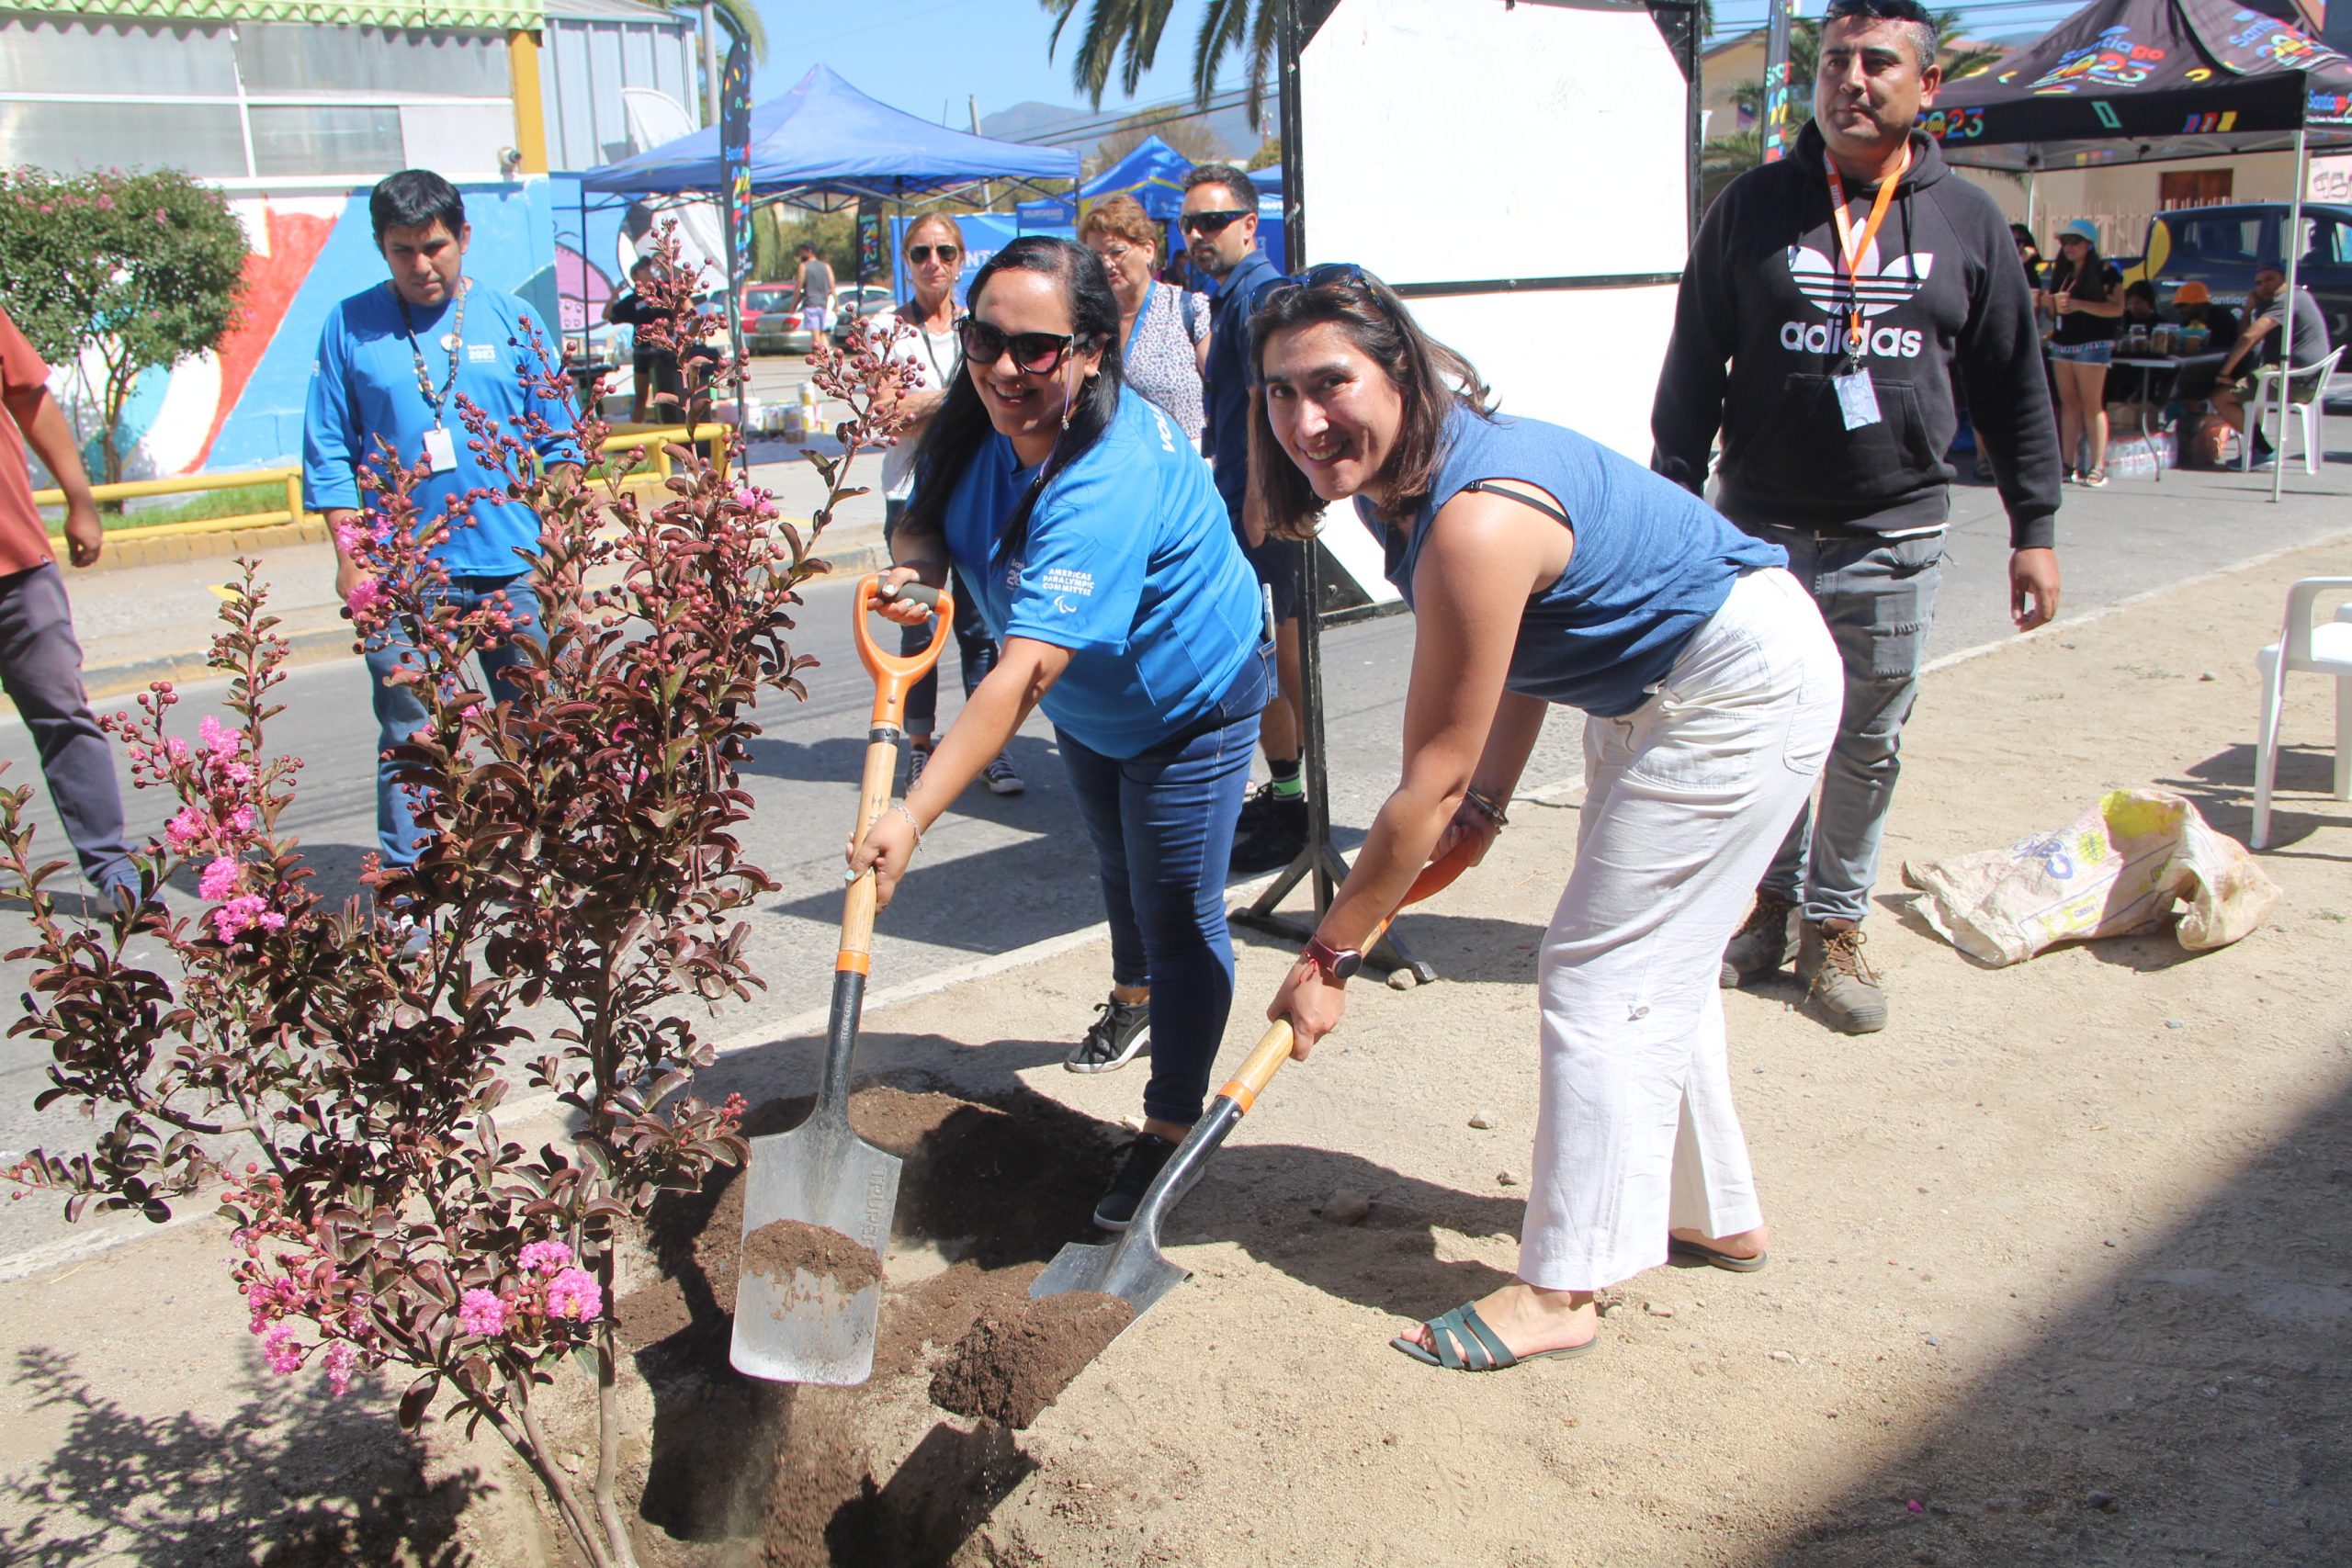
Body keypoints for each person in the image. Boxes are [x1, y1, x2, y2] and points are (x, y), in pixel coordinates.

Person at [1249, 266, 1838, 1370]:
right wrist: (1488, 802)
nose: (1304, 419)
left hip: (1733, 685)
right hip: (1667, 688)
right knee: (1652, 962)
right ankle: (1715, 1210)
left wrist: (1330, 951)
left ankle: (1563, 1288)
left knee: (1597, 972)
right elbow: (1507, 662)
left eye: (1331, 381)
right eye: (1279, 393)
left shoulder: (1471, 514)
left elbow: (1420, 780)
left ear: (1402, 370)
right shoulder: (1415, 482)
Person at [1651, 0, 2063, 1035]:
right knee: (1762, 732)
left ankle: (1834, 925)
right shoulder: (1750, 207)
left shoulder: (1966, 219)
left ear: (1927, 87)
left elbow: (2016, 383)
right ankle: (1768, 905)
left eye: (1878, 62)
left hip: (1896, 530)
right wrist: (1668, 506)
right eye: (1834, 60)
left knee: (1864, 743)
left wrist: (2035, 527)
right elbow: (1694, 365)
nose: (1851, 79)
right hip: (1759, 535)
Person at [847, 237, 1270, 1227]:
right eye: (986, 342)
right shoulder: (983, 413)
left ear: (1089, 350)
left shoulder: (1105, 474)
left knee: (1177, 912)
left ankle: (1168, 1133)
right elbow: (924, 518)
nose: (1003, 369)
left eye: (1035, 350)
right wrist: (918, 577)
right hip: (1097, 700)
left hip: (1187, 700)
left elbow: (1026, 669)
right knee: (1119, 874)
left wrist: (911, 815)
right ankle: (1135, 1000)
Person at [304, 169, 580, 867]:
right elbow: (330, 450)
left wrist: (557, 536)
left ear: (463, 236)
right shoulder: (349, 325)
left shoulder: (513, 319)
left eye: (435, 247)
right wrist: (350, 556)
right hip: (403, 574)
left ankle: (540, 862)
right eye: (403, 251)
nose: (423, 266)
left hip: (513, 568)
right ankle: (415, 885)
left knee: (536, 724)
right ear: (381, 248)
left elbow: (560, 439)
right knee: (413, 733)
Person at [1185, 163, 1307, 874]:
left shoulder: (1259, 292)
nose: (1200, 235)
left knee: (1265, 662)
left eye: (1213, 221)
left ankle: (1290, 807)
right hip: (1241, 499)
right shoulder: (1233, 296)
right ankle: (1288, 794)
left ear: (1248, 225)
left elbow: (1265, 402)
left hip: (1255, 510)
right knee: (1267, 658)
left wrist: (1260, 500)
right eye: (1190, 223)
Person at [874, 214, 1023, 800]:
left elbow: (997, 398)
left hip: (971, 489)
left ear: (961, 260)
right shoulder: (888, 331)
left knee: (981, 628)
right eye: (919, 253)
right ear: (906, 263)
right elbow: (889, 416)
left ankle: (990, 748)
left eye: (944, 251)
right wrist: (960, 396)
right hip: (909, 493)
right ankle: (919, 748)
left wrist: (934, 402)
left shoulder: (980, 327)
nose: (933, 263)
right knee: (919, 624)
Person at [0, 305, 137, 905]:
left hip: (16, 564)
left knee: (63, 714)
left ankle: (111, 868)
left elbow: (31, 398)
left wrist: (80, 498)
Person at [1080, 194, 1211, 444]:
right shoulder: (1090, 321)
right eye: (1096, 257)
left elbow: (1227, 389)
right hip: (1118, 465)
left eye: (1116, 252)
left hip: (1181, 465)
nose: (1106, 264)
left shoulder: (1186, 308)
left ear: (1148, 250)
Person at [2209, 261, 2335, 467]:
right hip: (2303, 378)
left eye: (2270, 279)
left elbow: (2248, 338)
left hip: (2295, 379)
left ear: (2284, 278)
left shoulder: (2289, 299)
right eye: (2259, 282)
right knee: (2247, 386)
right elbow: (2248, 336)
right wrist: (2249, 310)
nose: (2264, 286)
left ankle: (2262, 450)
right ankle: (2258, 447)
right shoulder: (2292, 298)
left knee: (2220, 397)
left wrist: (2225, 371)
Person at [2040, 219, 2125, 486]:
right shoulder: (2062, 272)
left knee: (2092, 404)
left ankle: (2097, 466)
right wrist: (2049, 303)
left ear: (2089, 244)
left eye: (2074, 241)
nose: (2068, 247)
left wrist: (2079, 304)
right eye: (2064, 241)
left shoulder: (2106, 270)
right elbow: (2054, 312)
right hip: (2062, 342)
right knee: (2068, 404)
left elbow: (2117, 308)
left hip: (2094, 343)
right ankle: (2067, 463)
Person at [604, 255, 680, 424]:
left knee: (669, 393)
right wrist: (615, 294)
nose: (649, 271)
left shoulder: (664, 291)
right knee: (641, 396)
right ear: (635, 276)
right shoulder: (633, 301)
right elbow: (607, 315)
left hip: (665, 350)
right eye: (644, 269)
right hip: (643, 351)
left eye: (649, 268)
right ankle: (636, 429)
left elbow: (684, 293)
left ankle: (672, 425)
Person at [2170, 280, 2239, 347]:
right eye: (2177, 307)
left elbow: (2221, 350)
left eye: (2182, 306)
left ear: (2199, 303)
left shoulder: (2223, 320)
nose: (2179, 311)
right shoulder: (2187, 322)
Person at [794, 243, 835, 350]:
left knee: (815, 334)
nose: (800, 254)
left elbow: (798, 287)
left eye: (802, 251)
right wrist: (837, 304)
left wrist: (793, 305)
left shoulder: (803, 266)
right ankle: (827, 358)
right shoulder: (826, 266)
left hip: (811, 304)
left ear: (809, 251)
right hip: (823, 304)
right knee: (821, 332)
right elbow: (832, 285)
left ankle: (822, 361)